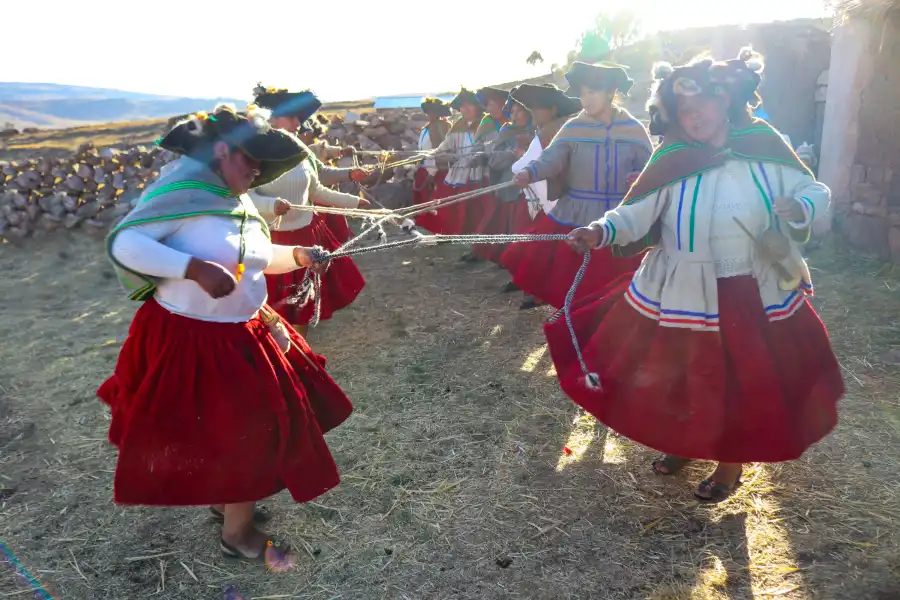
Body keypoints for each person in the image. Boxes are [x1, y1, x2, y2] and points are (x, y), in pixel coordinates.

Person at [544, 50, 844, 501]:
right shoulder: (673, 158)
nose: (694, 114)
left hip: (750, 290)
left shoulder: (764, 146)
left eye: (702, 104)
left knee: (738, 379)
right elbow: (635, 212)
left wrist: (802, 206)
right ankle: (684, 443)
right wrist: (600, 230)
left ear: (727, 102)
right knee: (678, 374)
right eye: (684, 109)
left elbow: (815, 190)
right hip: (682, 289)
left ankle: (729, 463)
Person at [99, 104, 353, 562]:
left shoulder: (234, 202)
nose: (257, 169)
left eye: (261, 162)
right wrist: (191, 268)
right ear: (220, 151)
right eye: (249, 158)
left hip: (241, 334)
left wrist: (295, 257)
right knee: (247, 434)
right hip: (194, 340)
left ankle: (225, 503)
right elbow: (125, 243)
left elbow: (253, 258)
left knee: (233, 431)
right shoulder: (181, 195)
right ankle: (237, 534)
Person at [508, 64, 652, 310]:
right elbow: (551, 159)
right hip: (577, 214)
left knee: (620, 291)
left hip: (621, 216)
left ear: (609, 92)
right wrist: (529, 172)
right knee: (576, 286)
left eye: (592, 93)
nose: (586, 99)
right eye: (583, 94)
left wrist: (640, 176)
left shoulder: (633, 128)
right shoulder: (573, 128)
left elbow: (651, 165)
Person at [248, 86, 367, 337]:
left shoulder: (299, 150)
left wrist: (355, 202)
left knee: (302, 300)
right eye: (292, 118)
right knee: (273, 304)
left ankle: (298, 348)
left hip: (306, 235)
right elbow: (243, 194)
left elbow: (317, 189)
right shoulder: (252, 153)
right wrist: (270, 206)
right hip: (272, 238)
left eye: (299, 119)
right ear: (272, 118)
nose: (297, 124)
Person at [472, 87, 535, 266]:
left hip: (533, 192)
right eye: (513, 111)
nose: (516, 115)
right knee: (510, 229)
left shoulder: (539, 131)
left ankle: (523, 266)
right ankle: (510, 262)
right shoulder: (507, 131)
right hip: (510, 189)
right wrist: (513, 153)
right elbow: (493, 160)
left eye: (520, 110)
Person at [422, 87, 487, 236]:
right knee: (450, 206)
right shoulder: (457, 127)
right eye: (462, 106)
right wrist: (443, 156)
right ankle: (452, 233)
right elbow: (441, 150)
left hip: (482, 175)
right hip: (459, 175)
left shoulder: (487, 124)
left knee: (479, 210)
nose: (466, 109)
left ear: (478, 106)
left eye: (469, 104)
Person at [412, 97, 452, 232]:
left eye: (432, 112)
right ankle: (423, 227)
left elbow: (439, 151)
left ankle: (436, 229)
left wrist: (432, 172)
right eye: (428, 112)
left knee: (434, 199)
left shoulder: (441, 127)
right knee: (423, 199)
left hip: (437, 171)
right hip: (424, 168)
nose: (429, 115)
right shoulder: (426, 128)